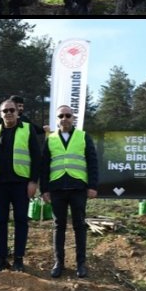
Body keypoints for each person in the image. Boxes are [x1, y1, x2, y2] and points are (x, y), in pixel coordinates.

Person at [0, 97, 42, 272]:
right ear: (0, 114)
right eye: (5, 111)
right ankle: (1, 259)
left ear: (17, 112)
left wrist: (33, 182)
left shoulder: (27, 129)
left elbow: (36, 157)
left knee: (21, 221)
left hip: (21, 184)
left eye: (12, 110)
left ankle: (18, 259)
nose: (9, 113)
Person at [41, 105, 98, 278]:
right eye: (61, 116)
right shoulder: (50, 139)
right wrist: (44, 189)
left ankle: (81, 264)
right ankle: (59, 263)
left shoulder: (83, 137)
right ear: (57, 119)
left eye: (68, 115)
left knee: (79, 226)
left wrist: (93, 186)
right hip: (57, 188)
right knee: (59, 226)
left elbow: (92, 162)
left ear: (73, 118)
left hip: (78, 188)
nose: (64, 118)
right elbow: (44, 167)